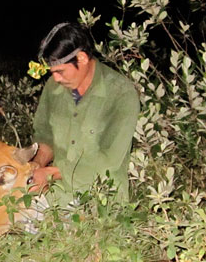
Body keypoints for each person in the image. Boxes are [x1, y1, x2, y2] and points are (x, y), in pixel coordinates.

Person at [30, 22, 140, 206]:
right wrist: (38, 164)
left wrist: (52, 173)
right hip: (56, 194)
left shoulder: (121, 93)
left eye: (60, 71)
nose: (55, 78)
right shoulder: (53, 87)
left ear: (81, 58)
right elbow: (45, 136)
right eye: (52, 72)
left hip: (102, 199)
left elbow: (110, 161)